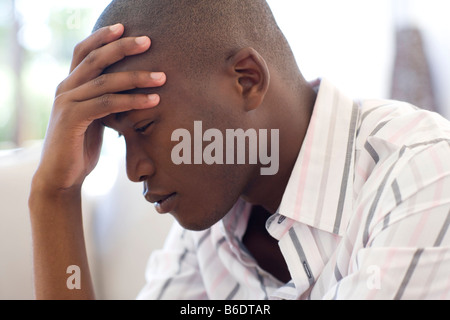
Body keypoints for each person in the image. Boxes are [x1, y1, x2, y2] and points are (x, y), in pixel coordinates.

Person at [29, 0, 450, 300]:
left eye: (145, 126)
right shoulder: (211, 237)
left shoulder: (423, 174)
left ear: (246, 79)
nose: (134, 170)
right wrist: (55, 198)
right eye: (122, 139)